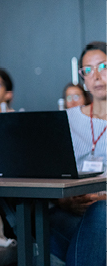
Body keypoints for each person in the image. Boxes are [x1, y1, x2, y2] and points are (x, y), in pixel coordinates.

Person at [49, 41, 107, 266]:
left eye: (102, 67)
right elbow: (48, 170)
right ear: (83, 79)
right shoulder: (67, 119)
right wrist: (64, 199)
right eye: (88, 70)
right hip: (68, 209)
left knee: (101, 213)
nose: (96, 76)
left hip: (103, 209)